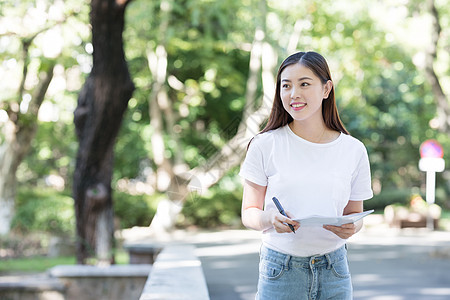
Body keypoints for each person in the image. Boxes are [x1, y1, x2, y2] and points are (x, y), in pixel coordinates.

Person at [239, 51, 373, 300]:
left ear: (326, 89)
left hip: (334, 270)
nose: (294, 94)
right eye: (286, 85)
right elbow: (249, 212)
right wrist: (270, 218)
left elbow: (355, 213)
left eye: (304, 84)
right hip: (280, 270)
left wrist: (352, 226)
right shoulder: (264, 145)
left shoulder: (353, 149)